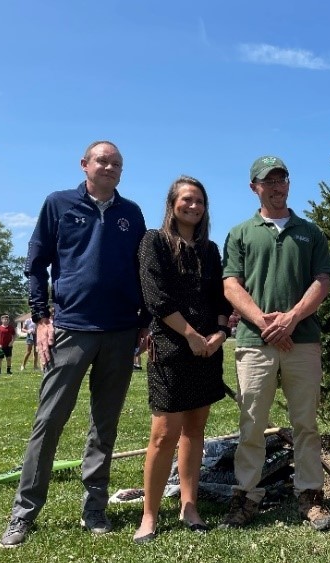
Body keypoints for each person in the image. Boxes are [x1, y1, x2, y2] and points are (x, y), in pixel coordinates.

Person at [0, 140, 148, 548]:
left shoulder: (131, 214)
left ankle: (95, 507)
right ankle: (23, 512)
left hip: (120, 332)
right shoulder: (58, 204)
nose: (110, 167)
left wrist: (144, 322)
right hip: (70, 328)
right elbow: (35, 263)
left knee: (105, 425)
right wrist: (42, 317)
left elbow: (142, 271)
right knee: (49, 422)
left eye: (117, 162)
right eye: (103, 160)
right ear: (84, 165)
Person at [221, 156, 330, 531]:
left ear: (288, 183)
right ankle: (247, 497)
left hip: (302, 341)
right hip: (255, 342)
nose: (276, 186)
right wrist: (262, 320)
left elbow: (322, 281)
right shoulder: (241, 232)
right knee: (251, 423)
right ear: (254, 187)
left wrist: (290, 319)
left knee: (305, 423)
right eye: (267, 180)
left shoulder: (310, 232)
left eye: (281, 178)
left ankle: (310, 497)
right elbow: (231, 284)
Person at [133, 176, 232, 543]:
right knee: (163, 434)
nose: (194, 206)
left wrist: (220, 333)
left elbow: (220, 298)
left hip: (207, 348)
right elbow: (155, 297)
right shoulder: (153, 242)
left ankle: (190, 506)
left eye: (200, 202)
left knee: (195, 429)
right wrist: (189, 335)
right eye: (187, 200)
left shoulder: (209, 250)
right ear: (172, 203)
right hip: (172, 348)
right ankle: (149, 514)